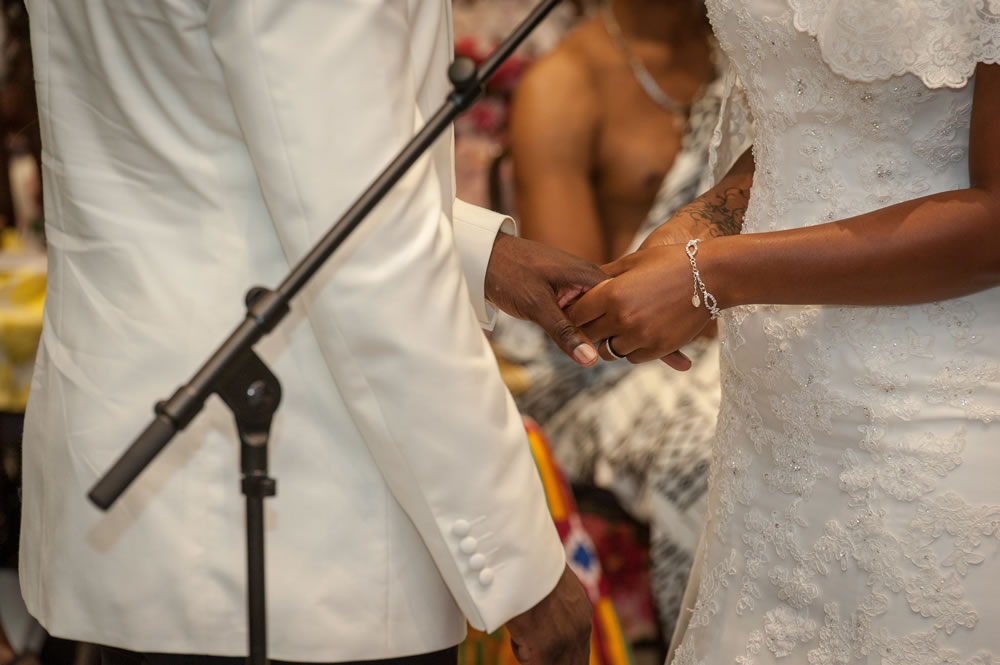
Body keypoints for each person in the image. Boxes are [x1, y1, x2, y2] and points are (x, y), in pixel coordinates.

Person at [18, 2, 601, 664]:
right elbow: (369, 258)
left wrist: (476, 252)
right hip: (290, 518)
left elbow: (191, 128)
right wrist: (520, 566)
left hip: (134, 479)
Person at [567, 2, 1000, 664]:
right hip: (770, 429)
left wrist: (713, 272)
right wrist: (699, 226)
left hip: (928, 412)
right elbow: (815, 121)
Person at [495, 0, 722, 644]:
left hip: (747, 321)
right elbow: (573, 308)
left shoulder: (753, 61)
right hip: (610, 365)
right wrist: (707, 292)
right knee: (724, 444)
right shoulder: (565, 85)